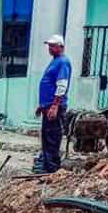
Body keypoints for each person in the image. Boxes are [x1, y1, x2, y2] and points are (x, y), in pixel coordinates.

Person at [34, 34, 71, 174]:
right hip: (48, 106)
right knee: (46, 135)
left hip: (54, 107)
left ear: (61, 47)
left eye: (53, 46)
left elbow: (62, 85)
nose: (50, 48)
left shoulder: (63, 62)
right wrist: (42, 105)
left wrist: (55, 105)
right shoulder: (55, 61)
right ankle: (46, 164)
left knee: (52, 136)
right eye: (49, 46)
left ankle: (52, 167)